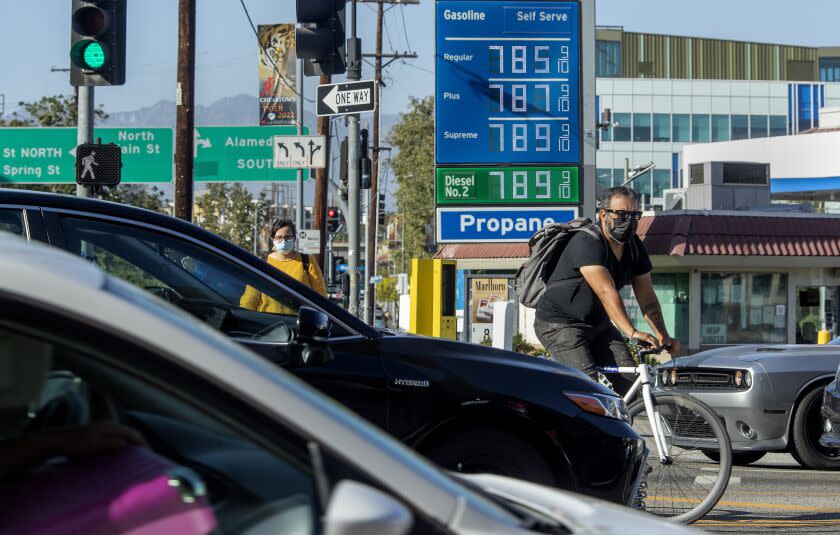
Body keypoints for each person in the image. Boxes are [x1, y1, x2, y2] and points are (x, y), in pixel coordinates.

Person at [533, 186, 679, 394]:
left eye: (634, 215)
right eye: (621, 214)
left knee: (631, 383)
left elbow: (647, 298)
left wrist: (663, 335)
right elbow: (606, 292)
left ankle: (631, 424)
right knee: (586, 387)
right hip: (561, 325)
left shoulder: (635, 248)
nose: (628, 221)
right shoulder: (587, 242)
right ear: (603, 214)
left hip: (599, 326)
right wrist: (632, 332)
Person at [240, 219, 327, 313]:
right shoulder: (264, 263)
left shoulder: (307, 261)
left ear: (294, 238)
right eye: (279, 237)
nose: (283, 241)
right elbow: (250, 300)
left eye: (288, 237)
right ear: (273, 239)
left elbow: (320, 295)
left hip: (300, 323)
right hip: (270, 323)